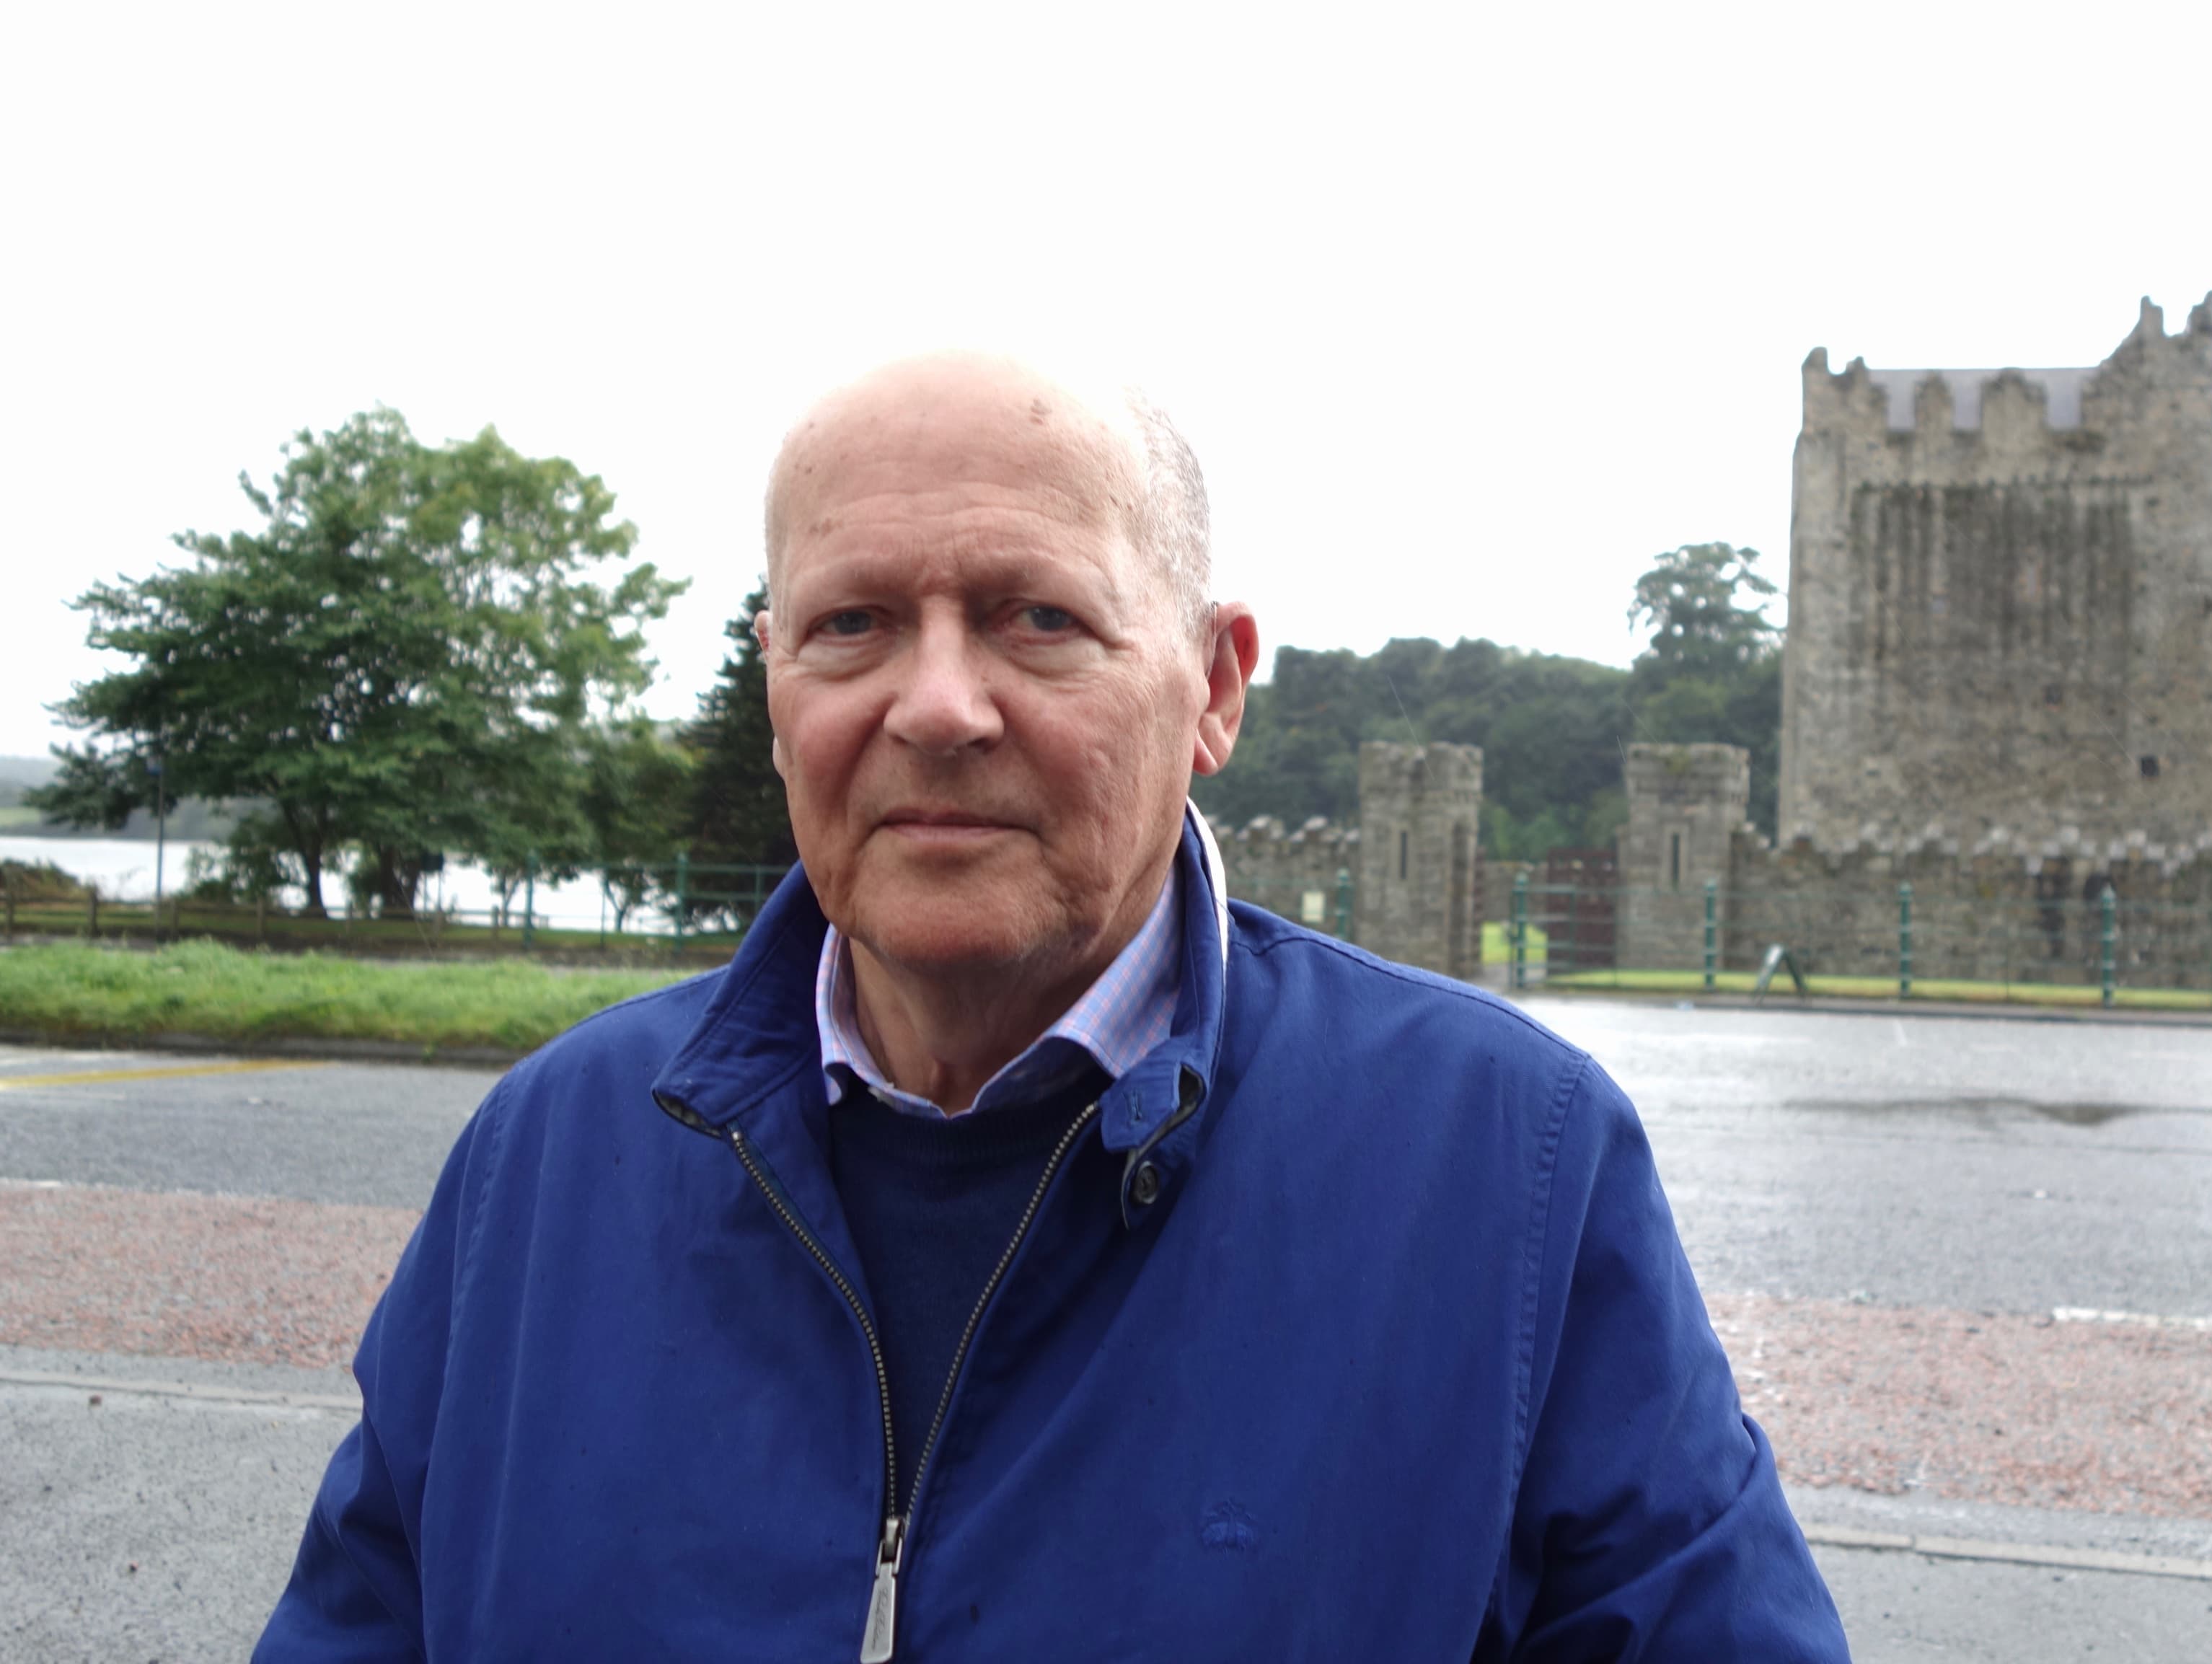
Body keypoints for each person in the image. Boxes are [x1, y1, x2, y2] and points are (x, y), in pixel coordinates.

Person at [255, 352, 1852, 1662]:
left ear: (1214, 685)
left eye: (1039, 617)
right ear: (776, 684)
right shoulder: (547, 1151)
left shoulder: (1506, 1161)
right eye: (851, 623)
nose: (937, 706)